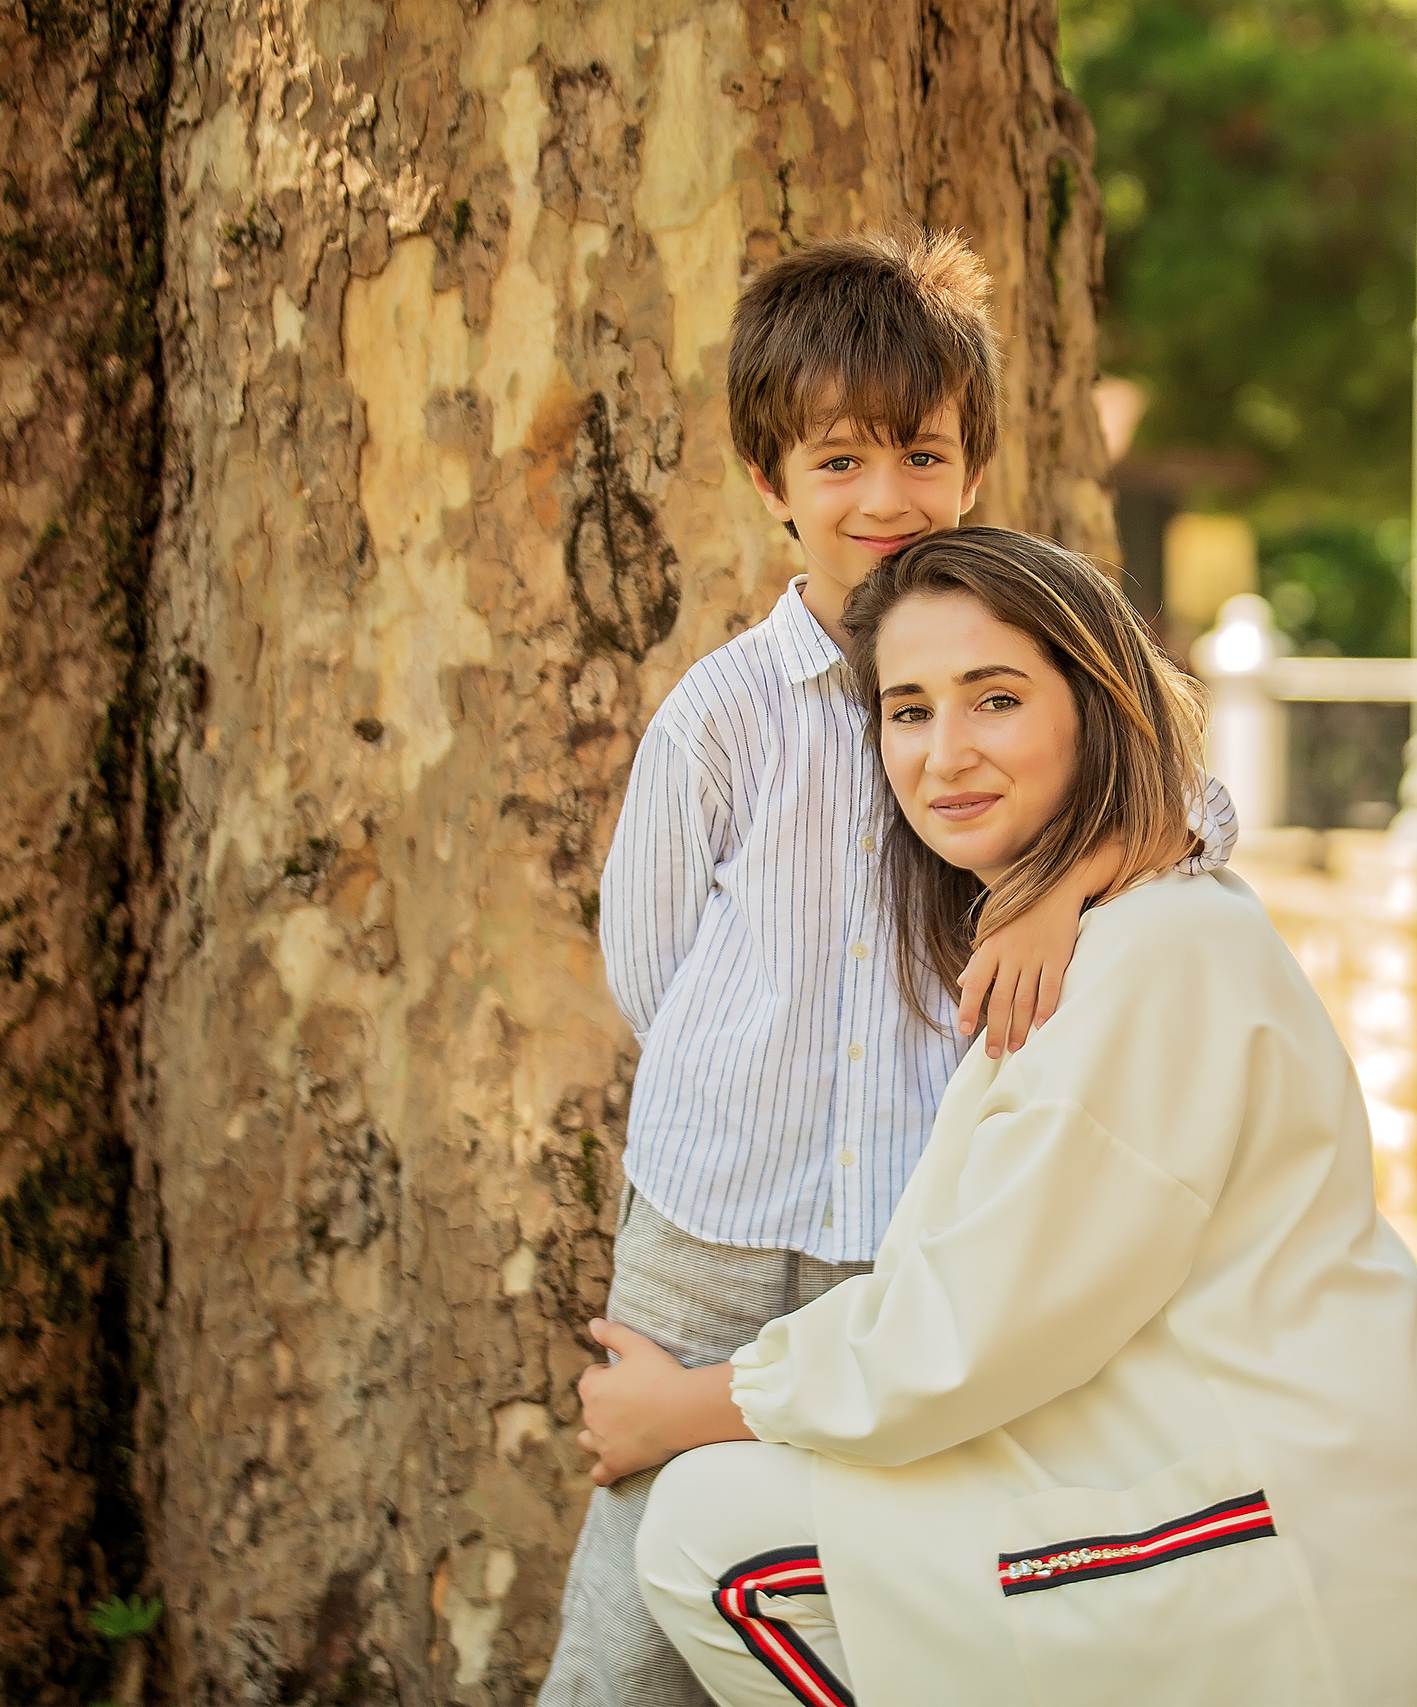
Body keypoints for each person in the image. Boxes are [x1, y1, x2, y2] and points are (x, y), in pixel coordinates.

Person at [576, 527, 1417, 1706]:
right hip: (1176, 1479)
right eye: (908, 711)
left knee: (715, 1539)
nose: (945, 754)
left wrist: (682, 1409)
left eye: (995, 700)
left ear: (1093, 706)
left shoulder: (1156, 956)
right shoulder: (1110, 927)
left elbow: (966, 1331)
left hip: (1272, 1538)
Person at [539, 233, 1240, 1707]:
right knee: (641, 1574)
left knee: (859, 1572)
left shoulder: (1026, 652)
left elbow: (1203, 813)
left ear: (972, 467)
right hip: (714, 1218)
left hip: (917, 1230)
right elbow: (652, 968)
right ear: (771, 482)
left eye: (921, 453)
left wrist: (1063, 894)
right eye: (839, 460)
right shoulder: (725, 714)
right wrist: (757, 1080)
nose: (884, 498)